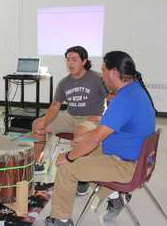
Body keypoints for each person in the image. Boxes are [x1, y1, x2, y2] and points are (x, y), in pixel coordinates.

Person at [45, 51, 156, 226]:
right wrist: (81, 143)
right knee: (80, 147)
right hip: (135, 158)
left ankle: (60, 219)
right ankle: (115, 196)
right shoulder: (135, 90)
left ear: (113, 72)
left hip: (126, 165)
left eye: (103, 70)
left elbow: (96, 139)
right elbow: (103, 132)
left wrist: (68, 157)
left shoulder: (124, 99)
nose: (102, 75)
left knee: (66, 168)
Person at [32, 46, 107, 193]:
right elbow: (55, 106)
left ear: (84, 61)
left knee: (80, 132)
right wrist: (44, 124)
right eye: (68, 60)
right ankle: (38, 162)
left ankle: (82, 178)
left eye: (74, 59)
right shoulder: (64, 82)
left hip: (90, 118)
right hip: (69, 116)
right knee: (37, 124)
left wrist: (104, 116)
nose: (70, 63)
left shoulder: (97, 78)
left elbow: (112, 98)